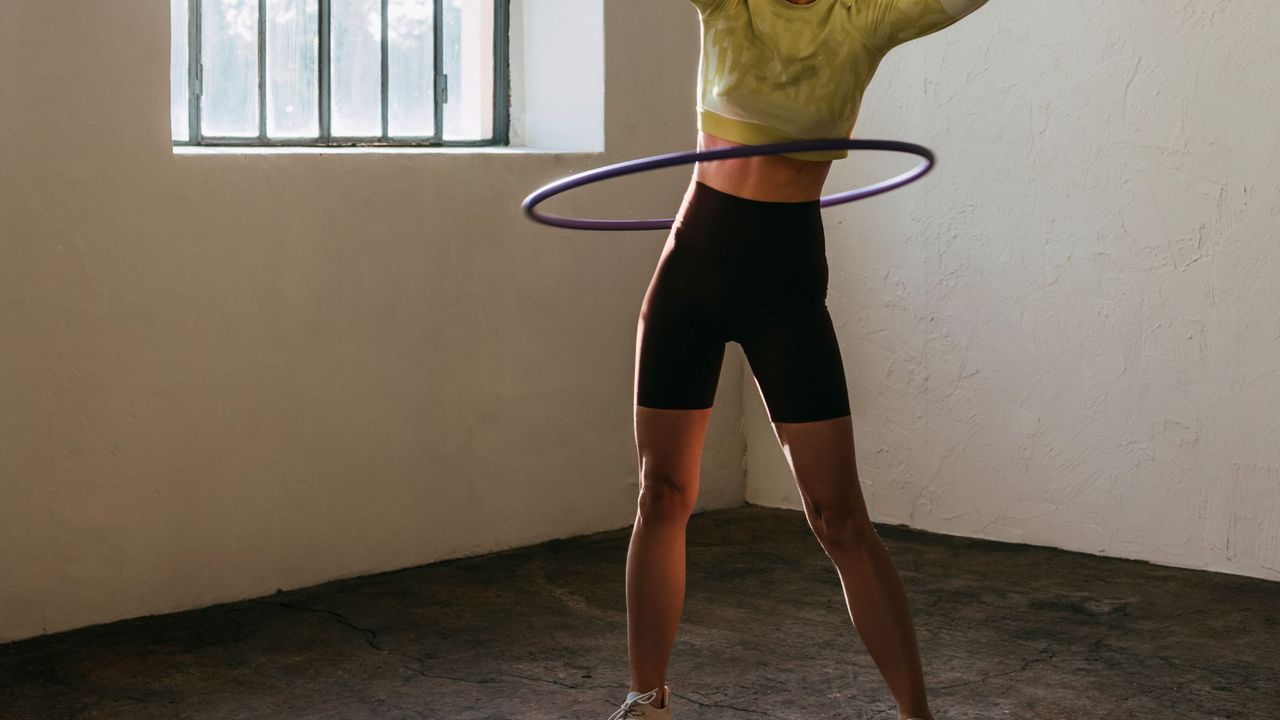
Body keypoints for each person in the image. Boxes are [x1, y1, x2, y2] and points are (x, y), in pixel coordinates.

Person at [612, 0, 993, 718]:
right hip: (692, 270)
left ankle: (918, 716)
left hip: (783, 287)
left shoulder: (866, 18)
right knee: (661, 492)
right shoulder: (730, 6)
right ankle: (646, 700)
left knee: (837, 514)